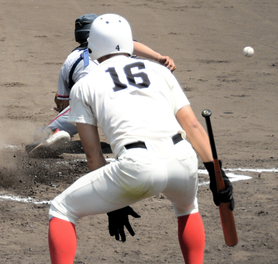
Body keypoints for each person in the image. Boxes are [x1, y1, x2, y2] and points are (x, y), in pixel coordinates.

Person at [47, 13, 234, 264]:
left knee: (61, 209)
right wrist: (216, 172)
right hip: (183, 160)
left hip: (137, 166)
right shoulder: (160, 72)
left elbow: (93, 155)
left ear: (93, 45)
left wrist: (113, 203)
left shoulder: (85, 85)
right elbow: (193, 127)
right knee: (188, 208)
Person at [26, 13, 176, 157]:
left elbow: (66, 103)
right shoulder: (116, 51)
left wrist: (62, 108)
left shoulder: (70, 59)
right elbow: (131, 44)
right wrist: (158, 56)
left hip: (91, 101)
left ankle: (55, 133)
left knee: (43, 132)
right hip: (127, 100)